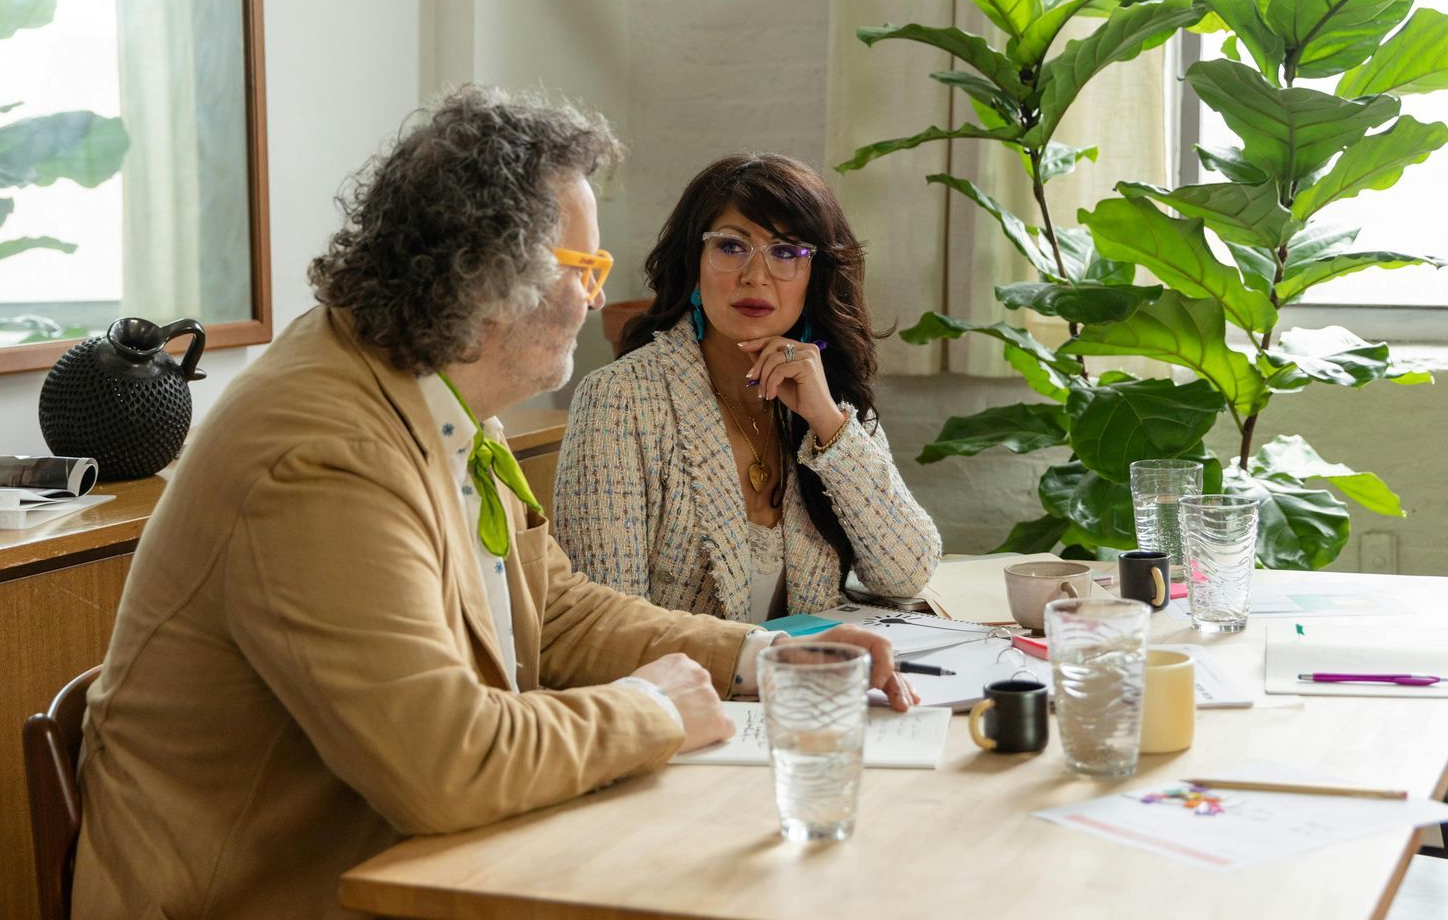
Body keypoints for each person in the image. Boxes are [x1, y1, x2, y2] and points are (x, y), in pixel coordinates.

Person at [70, 91, 911, 919]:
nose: (592, 302)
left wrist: (762, 660)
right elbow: (446, 764)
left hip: (426, 865)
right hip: (274, 895)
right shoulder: (323, 452)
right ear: (487, 276)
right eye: (583, 270)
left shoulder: (441, 396)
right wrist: (654, 708)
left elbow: (558, 613)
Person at [553, 153, 942, 624]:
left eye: (785, 252)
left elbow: (906, 574)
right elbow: (606, 626)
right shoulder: (620, 400)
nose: (755, 276)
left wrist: (829, 423)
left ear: (813, 277)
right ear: (694, 263)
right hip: (684, 693)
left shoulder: (828, 393)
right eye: (731, 247)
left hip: (804, 689)